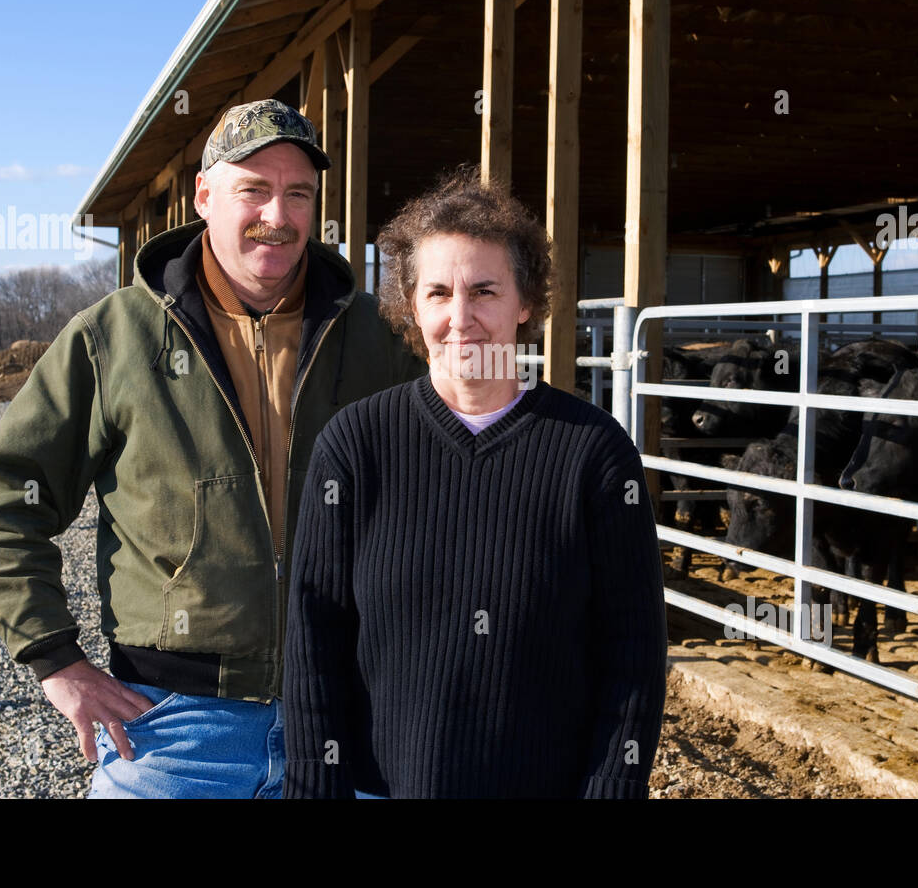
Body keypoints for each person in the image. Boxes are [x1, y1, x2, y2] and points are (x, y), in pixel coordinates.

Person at [0, 99, 425, 798]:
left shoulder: (377, 337)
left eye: (298, 193)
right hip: (174, 728)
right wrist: (56, 660)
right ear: (204, 197)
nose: (279, 213)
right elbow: (2, 498)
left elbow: (453, 486)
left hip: (349, 715)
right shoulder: (114, 336)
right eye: (254, 190)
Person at [282, 168, 667, 798]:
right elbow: (314, 637)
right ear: (410, 307)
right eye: (437, 293)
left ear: (526, 303)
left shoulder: (591, 454)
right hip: (381, 789)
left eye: (484, 290)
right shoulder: (355, 447)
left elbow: (633, 652)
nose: (460, 318)